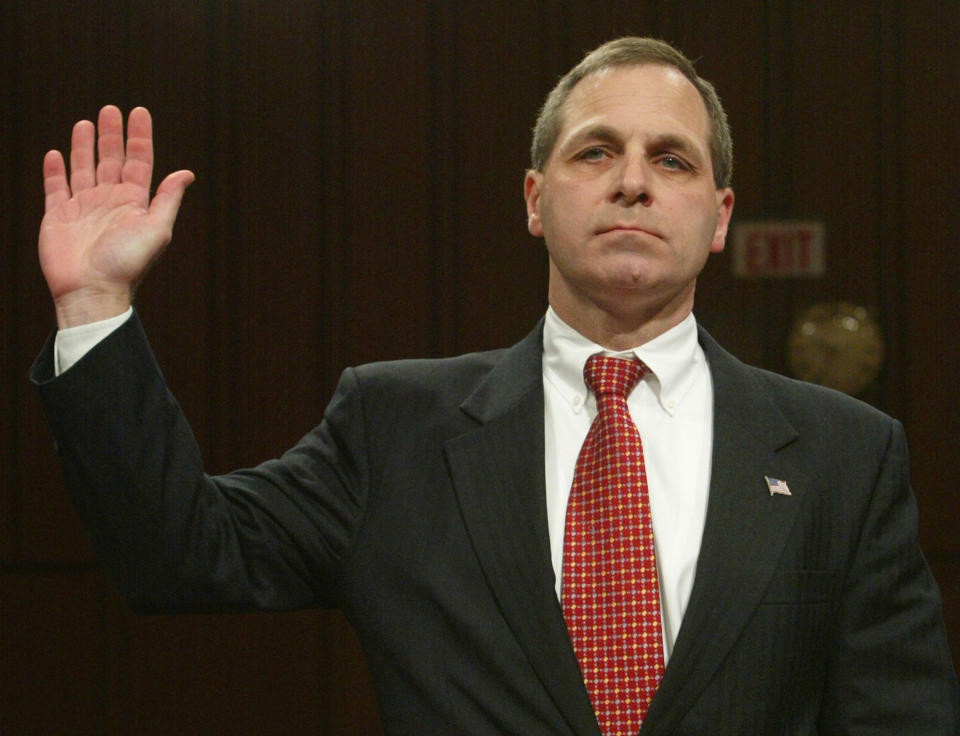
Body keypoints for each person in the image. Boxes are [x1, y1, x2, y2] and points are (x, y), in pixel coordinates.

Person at [30, 37, 959, 735]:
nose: (633, 181)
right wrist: (97, 302)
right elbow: (177, 554)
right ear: (532, 197)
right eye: (595, 152)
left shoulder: (846, 451)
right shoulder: (392, 426)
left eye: (671, 159)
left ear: (718, 218)